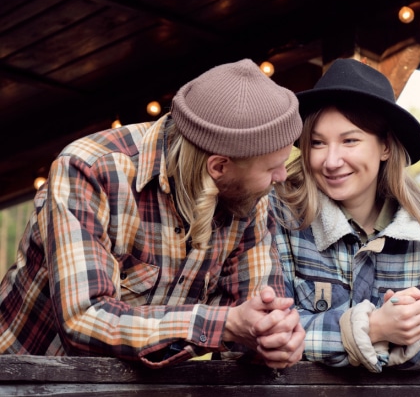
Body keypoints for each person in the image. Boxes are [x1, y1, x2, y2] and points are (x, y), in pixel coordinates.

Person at [0, 59, 305, 369]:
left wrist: (273, 340)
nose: (281, 176)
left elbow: (253, 320)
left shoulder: (249, 195)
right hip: (24, 379)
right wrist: (224, 324)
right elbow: (83, 320)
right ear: (219, 167)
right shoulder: (91, 168)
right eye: (271, 167)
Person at [272, 58, 420, 372]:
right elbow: (265, 337)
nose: (331, 161)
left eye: (350, 141)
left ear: (385, 146)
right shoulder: (279, 214)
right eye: (318, 143)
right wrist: (374, 329)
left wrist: (403, 334)